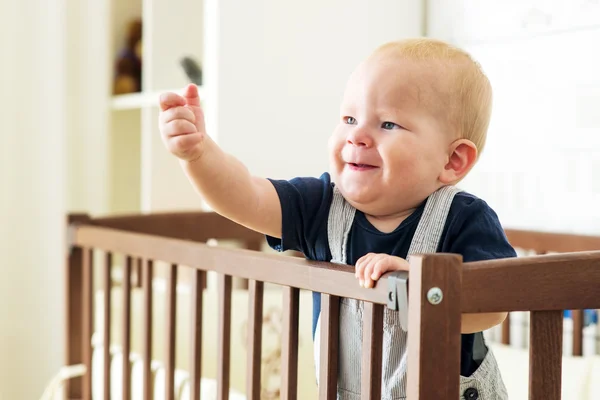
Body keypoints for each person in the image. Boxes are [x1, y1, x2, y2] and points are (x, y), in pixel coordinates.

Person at [158, 37, 515, 399]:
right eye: (349, 118)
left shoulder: (463, 218)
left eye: (388, 124)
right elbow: (246, 196)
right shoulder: (322, 205)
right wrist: (199, 155)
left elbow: (496, 305)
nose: (357, 135)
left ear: (452, 161)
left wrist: (419, 287)